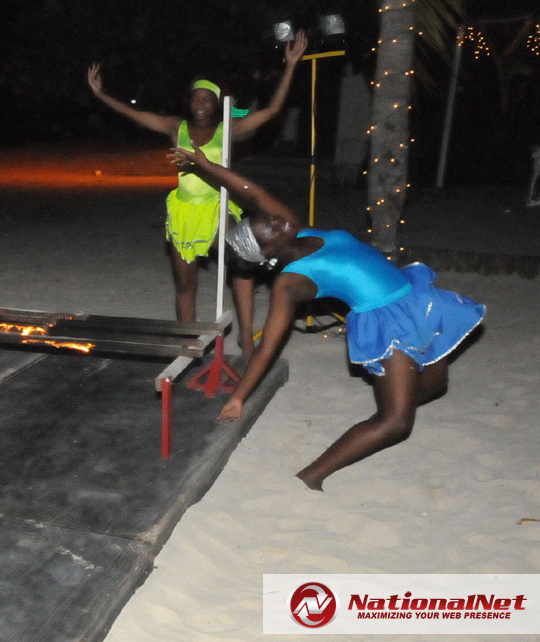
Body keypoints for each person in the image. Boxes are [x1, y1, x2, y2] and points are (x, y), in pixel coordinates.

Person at [170, 145, 486, 491]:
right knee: (396, 422)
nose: (277, 220)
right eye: (270, 227)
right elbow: (267, 350)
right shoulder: (291, 284)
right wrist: (238, 397)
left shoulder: (293, 230)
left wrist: (207, 165)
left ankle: (399, 393)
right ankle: (310, 477)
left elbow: (253, 192)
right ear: (267, 253)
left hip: (414, 297)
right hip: (386, 323)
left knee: (437, 385)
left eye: (270, 218)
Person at [86, 32, 307, 356]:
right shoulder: (176, 127)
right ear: (188, 101)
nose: (201, 104)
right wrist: (101, 94)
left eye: (207, 99)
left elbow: (273, 110)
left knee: (243, 263)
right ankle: (186, 344)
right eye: (195, 98)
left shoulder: (228, 128)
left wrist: (290, 65)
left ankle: (246, 337)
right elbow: (135, 115)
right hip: (185, 212)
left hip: (217, 207)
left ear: (216, 104)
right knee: (185, 285)